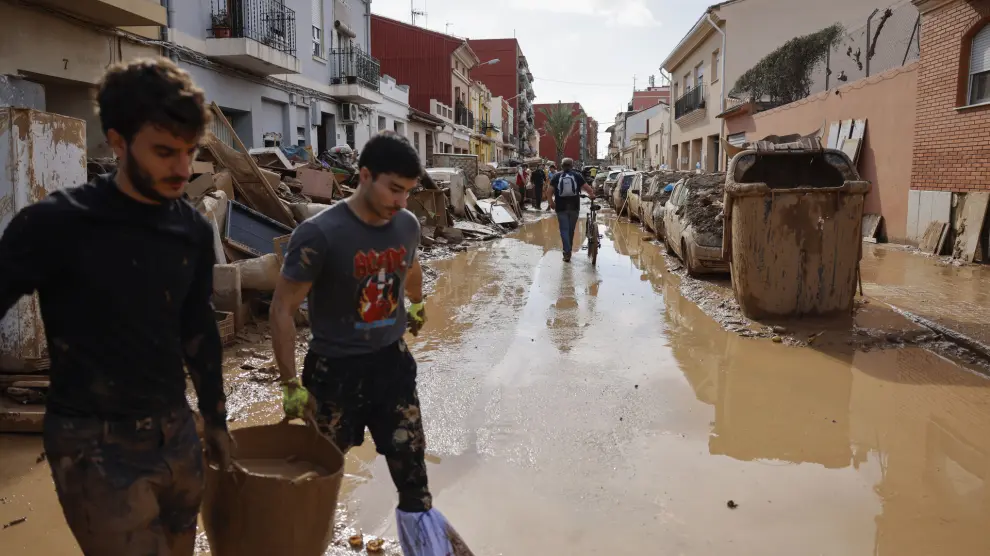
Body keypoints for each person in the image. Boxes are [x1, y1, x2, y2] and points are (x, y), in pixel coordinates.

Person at [0, 58, 231, 555]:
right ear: (119, 142)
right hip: (94, 446)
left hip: (176, 431)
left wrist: (215, 420)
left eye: (190, 152)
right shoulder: (55, 226)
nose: (183, 169)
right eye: (166, 152)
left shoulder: (189, 228)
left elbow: (198, 331)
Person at [270, 133, 473, 555]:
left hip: (391, 370)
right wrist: (290, 382)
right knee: (316, 480)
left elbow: (412, 266)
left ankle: (425, 546)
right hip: (332, 376)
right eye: (394, 189)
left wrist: (416, 305)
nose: (401, 201)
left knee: (414, 480)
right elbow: (283, 309)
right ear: (364, 176)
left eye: (409, 192)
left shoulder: (408, 224)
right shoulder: (319, 234)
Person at [546, 158, 595, 262]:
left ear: (562, 166)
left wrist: (551, 203)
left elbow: (549, 191)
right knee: (571, 230)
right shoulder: (577, 176)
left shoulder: (556, 176)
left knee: (564, 229)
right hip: (574, 207)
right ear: (572, 166)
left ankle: (567, 252)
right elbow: (587, 188)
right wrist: (591, 195)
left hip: (561, 207)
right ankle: (569, 249)